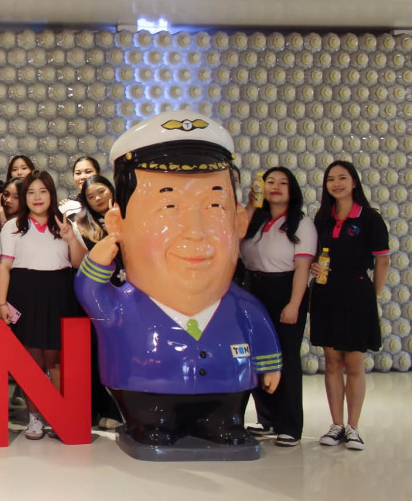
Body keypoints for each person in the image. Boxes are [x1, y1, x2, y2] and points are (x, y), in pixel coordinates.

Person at [75, 111, 282, 453]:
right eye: (168, 207)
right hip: (143, 389)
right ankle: (149, 423)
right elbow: (90, 294)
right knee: (153, 424)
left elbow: (258, 325)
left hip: (227, 389)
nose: (195, 231)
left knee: (224, 424)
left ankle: (223, 421)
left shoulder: (239, 305)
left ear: (239, 221)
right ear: (117, 223)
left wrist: (269, 365)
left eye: (214, 206)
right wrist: (98, 259)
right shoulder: (125, 304)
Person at [0, 170, 87, 440]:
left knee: (55, 358)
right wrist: (1, 303)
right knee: (31, 359)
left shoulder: (64, 223)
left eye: (42, 191)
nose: (37, 197)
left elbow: (79, 263)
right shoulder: (13, 226)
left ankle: (60, 414)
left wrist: (71, 238)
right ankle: (35, 417)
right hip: (25, 292)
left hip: (59, 292)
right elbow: (4, 267)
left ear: (51, 194)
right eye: (31, 192)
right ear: (24, 197)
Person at [309, 160, 391, 452]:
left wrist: (372, 296)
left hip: (357, 295)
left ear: (354, 182)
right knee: (332, 362)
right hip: (325, 294)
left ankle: (353, 427)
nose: (336, 183)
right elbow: (312, 254)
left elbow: (383, 260)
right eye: (331, 179)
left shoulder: (369, 218)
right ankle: (336, 425)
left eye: (342, 178)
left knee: (354, 364)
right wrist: (314, 267)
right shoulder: (322, 218)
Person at [239, 166, 315, 448]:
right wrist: (250, 205)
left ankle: (290, 425)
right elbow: (234, 237)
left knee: (286, 357)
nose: (275, 186)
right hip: (252, 289)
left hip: (285, 289)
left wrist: (294, 304)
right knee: (258, 356)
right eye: (270, 181)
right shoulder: (256, 219)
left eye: (283, 183)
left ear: (292, 190)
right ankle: (267, 419)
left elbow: (302, 268)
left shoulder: (301, 223)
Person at [67, 173, 122, 429]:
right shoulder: (82, 225)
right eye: (91, 196)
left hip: (129, 295)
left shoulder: (129, 216)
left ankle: (121, 410)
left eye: (101, 191)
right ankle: (96, 409)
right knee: (95, 354)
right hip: (97, 301)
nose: (98, 198)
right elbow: (79, 262)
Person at [59, 156, 101, 220]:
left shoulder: (112, 203)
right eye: (78, 173)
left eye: (88, 172)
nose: (83, 177)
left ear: (99, 174)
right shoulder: (68, 208)